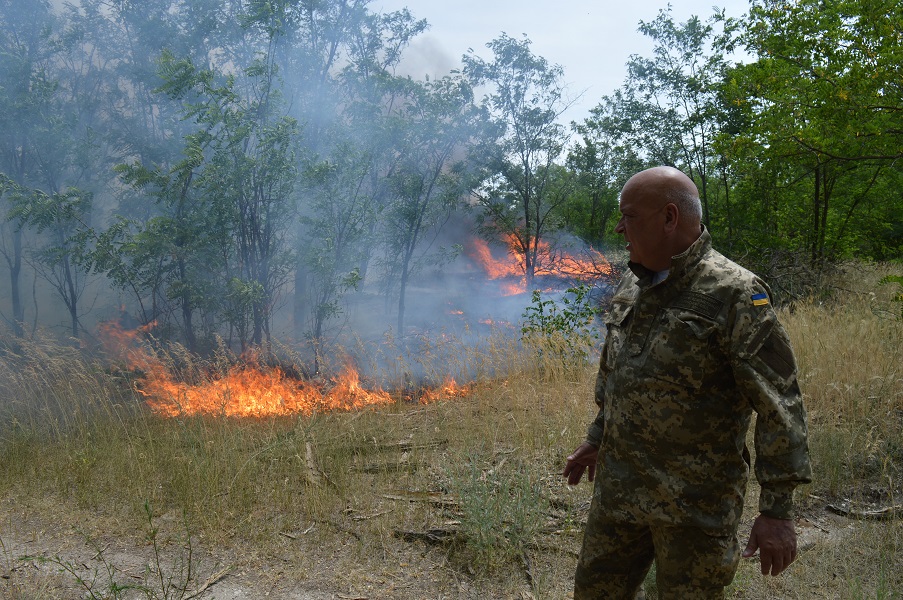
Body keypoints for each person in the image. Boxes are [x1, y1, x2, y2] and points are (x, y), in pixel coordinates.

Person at [563, 166, 812, 599]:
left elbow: (779, 403)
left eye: (629, 216)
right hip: (619, 495)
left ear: (669, 217)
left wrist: (777, 511)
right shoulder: (632, 283)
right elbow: (617, 374)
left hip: (694, 508)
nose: (620, 227)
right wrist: (598, 436)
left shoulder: (736, 293)